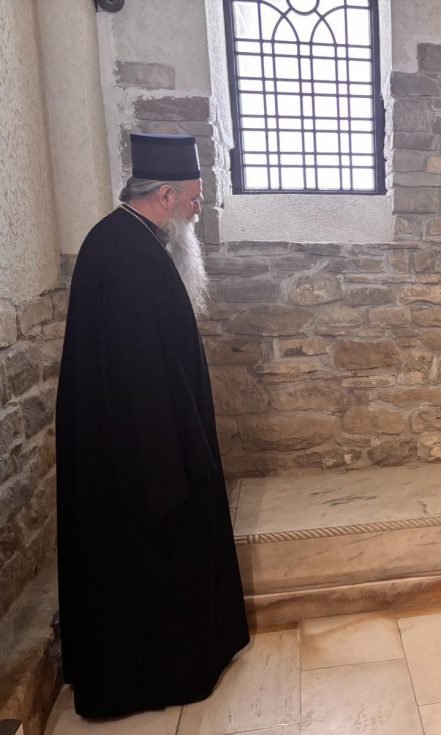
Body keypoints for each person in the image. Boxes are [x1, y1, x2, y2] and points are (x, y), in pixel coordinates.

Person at [56, 133, 249, 718]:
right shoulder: (127, 256)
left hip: (145, 440)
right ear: (165, 195)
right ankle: (163, 674)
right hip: (145, 458)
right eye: (193, 198)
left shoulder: (126, 242)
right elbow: (139, 379)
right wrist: (178, 461)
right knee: (151, 562)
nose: (197, 209)